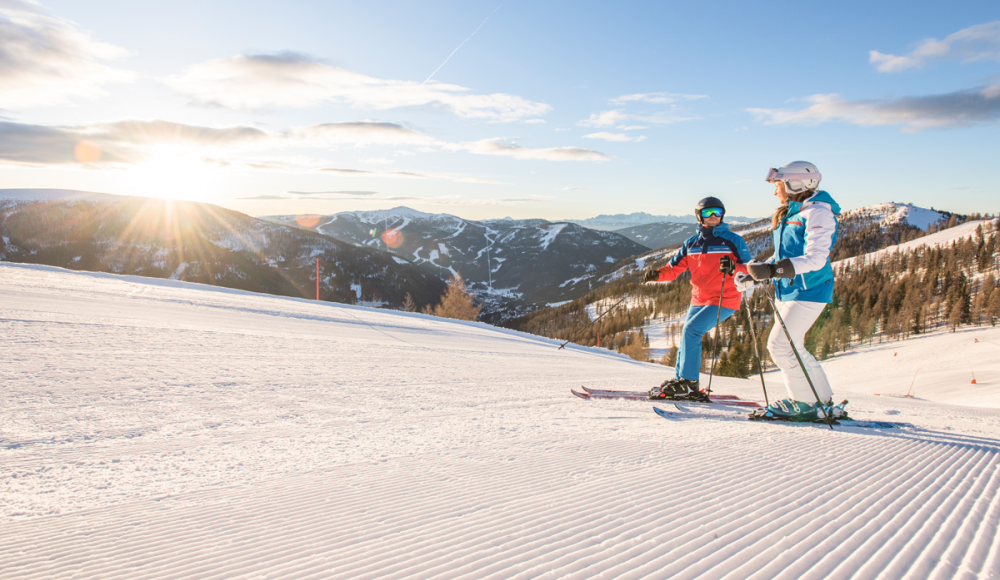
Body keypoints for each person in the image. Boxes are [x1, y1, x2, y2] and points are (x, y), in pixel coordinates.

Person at [742, 161, 847, 421]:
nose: (775, 191)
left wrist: (773, 271)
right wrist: (759, 274)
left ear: (796, 184)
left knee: (780, 346)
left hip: (809, 289)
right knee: (794, 347)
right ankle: (821, 401)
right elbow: (784, 255)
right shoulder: (793, 211)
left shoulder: (817, 212)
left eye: (778, 186)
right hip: (789, 290)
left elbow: (816, 259)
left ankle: (804, 403)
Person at [643, 197, 752, 401]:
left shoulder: (733, 241)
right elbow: (674, 269)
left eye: (717, 213)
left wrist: (734, 268)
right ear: (699, 216)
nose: (713, 217)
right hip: (699, 299)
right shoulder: (691, 244)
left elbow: (749, 268)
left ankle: (689, 383)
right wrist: (657, 274)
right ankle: (681, 381)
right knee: (687, 336)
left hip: (724, 298)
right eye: (708, 213)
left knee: (692, 330)